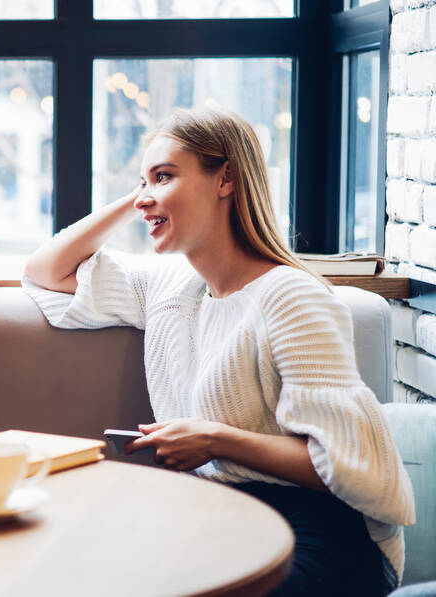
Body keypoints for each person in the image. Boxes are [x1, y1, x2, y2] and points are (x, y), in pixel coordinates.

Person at [23, 106, 414, 595]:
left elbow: (344, 464)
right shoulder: (169, 285)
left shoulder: (292, 297)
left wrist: (217, 439)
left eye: (164, 176)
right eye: (143, 183)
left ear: (225, 179)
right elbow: (46, 269)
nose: (145, 200)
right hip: (217, 518)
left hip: (316, 533)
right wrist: (147, 194)